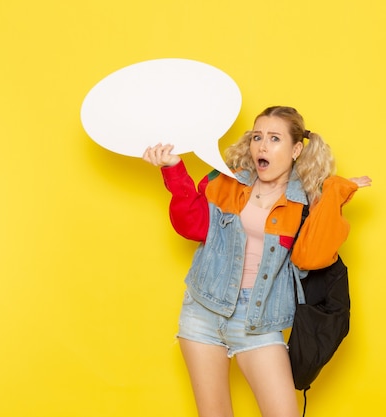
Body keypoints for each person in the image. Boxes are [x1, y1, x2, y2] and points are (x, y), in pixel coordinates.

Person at [143, 106, 371, 417]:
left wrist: (334, 191)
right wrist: (173, 168)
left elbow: (312, 256)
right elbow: (193, 226)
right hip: (203, 310)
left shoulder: (305, 201)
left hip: (259, 320)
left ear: (296, 150)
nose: (262, 146)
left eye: (274, 139)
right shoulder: (225, 180)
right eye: (257, 137)